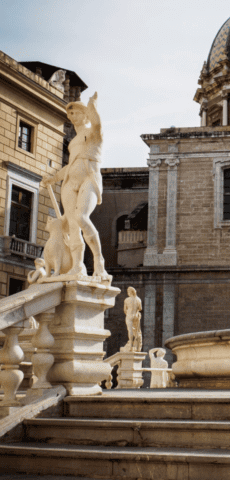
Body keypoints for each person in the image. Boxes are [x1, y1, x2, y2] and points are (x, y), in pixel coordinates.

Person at [41, 92, 109, 279]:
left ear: (86, 114)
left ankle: (98, 260)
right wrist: (53, 178)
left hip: (89, 178)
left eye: (76, 112)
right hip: (70, 182)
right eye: (70, 114)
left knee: (81, 217)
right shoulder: (73, 143)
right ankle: (77, 267)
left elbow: (98, 124)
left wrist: (92, 105)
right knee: (72, 226)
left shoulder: (94, 134)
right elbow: (70, 165)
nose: (72, 116)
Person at [124, 287, 142, 351]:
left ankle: (130, 344)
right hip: (136, 316)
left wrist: (128, 313)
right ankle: (137, 345)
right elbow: (140, 308)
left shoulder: (127, 300)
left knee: (130, 330)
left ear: (130, 292)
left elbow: (125, 310)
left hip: (129, 315)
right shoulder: (138, 299)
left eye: (128, 292)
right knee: (136, 330)